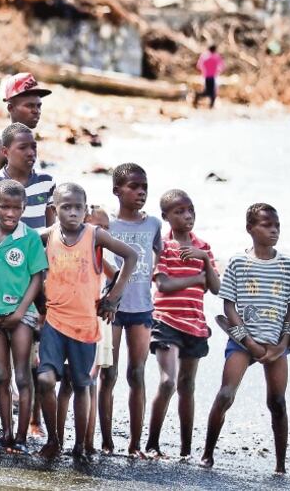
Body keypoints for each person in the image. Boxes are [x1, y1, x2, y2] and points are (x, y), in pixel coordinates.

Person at [36, 183, 137, 461]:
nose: (72, 212)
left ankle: (79, 446)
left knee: (81, 385)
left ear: (85, 209)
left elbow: (131, 256)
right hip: (55, 322)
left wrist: (113, 298)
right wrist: (35, 301)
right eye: (65, 207)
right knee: (45, 379)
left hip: (83, 326)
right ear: (55, 210)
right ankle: (53, 439)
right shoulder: (47, 235)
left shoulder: (95, 235)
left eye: (78, 207)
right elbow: (20, 243)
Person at [201, 203, 290, 474]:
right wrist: (249, 343)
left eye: (277, 226)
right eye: (267, 225)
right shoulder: (238, 262)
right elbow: (229, 307)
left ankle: (281, 465)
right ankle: (207, 454)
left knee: (278, 403)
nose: (274, 231)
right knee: (225, 395)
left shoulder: (289, 265)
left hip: (276, 342)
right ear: (250, 229)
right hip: (242, 341)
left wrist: (282, 345)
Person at [144, 189, 220, 458]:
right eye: (179, 212)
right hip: (166, 321)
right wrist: (195, 280)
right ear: (166, 217)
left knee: (187, 386)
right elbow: (163, 284)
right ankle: (152, 443)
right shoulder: (163, 246)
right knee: (168, 382)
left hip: (195, 324)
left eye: (190, 210)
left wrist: (204, 264)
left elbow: (215, 286)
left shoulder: (203, 247)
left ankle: (186, 449)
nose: (187, 216)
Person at [0, 179, 47, 453]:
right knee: (0, 374)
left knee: (22, 376)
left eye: (16, 208)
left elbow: (36, 277)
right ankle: (6, 433)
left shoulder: (28, 237)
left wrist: (21, 311)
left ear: (24, 208)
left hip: (22, 317)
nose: (9, 213)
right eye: (4, 207)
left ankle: (21, 437)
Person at [99, 162, 162, 457]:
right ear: (117, 191)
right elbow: (98, 257)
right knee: (107, 375)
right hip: (110, 307)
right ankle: (107, 442)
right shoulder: (107, 223)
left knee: (136, 374)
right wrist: (116, 282)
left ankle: (136, 444)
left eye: (145, 187)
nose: (141, 192)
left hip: (141, 308)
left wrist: (148, 279)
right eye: (134, 187)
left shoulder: (153, 224)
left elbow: (157, 257)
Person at [0, 123, 55, 229]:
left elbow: (51, 228)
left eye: (34, 147)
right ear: (5, 152)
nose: (31, 153)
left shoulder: (46, 181)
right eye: (22, 148)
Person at [0, 73, 51, 177]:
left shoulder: (29, 140)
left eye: (39, 106)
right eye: (29, 106)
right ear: (10, 108)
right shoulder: (0, 144)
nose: (36, 111)